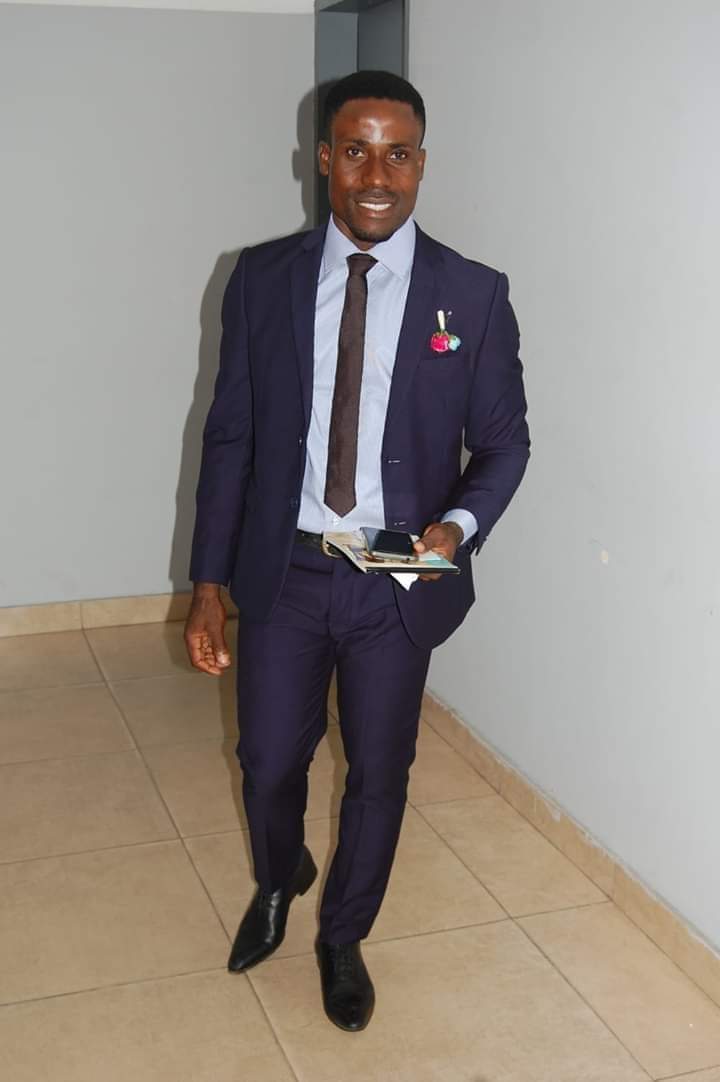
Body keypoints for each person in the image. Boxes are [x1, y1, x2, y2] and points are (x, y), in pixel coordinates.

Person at [184, 70, 529, 1032]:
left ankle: (343, 936)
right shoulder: (262, 278)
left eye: (397, 154)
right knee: (266, 761)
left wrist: (457, 527)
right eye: (356, 151)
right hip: (287, 566)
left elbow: (505, 444)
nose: (377, 175)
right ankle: (279, 873)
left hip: (397, 578)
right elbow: (230, 438)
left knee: (380, 768)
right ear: (323, 160)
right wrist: (207, 582)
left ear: (421, 164)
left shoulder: (473, 294)